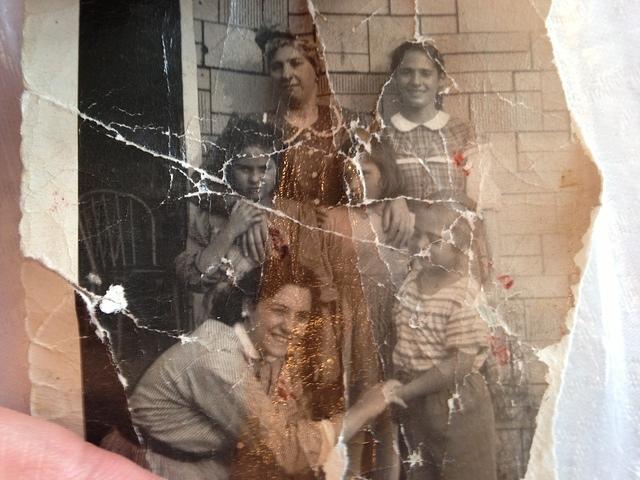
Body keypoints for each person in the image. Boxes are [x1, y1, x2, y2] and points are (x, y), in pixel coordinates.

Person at [126, 255, 403, 480]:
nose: (291, 328)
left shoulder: (262, 348)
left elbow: (290, 421)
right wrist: (366, 408)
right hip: (149, 466)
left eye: (302, 317)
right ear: (249, 306)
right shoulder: (218, 358)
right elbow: (287, 450)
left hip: (203, 462)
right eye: (280, 311)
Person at [318, 132, 413, 477]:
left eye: (366, 173)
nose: (355, 180)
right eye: (349, 172)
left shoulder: (396, 215)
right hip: (349, 325)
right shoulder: (331, 216)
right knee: (354, 406)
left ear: (385, 177)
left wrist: (400, 201)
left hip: (389, 323)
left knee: (388, 413)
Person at [389, 193, 497, 480]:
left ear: (461, 244)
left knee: (463, 471)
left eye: (434, 239)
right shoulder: (413, 281)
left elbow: (459, 364)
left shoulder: (463, 294)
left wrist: (406, 391)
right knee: (420, 471)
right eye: (417, 235)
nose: (422, 245)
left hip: (455, 402)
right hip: (415, 399)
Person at [383, 39, 493, 285]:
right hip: (406, 248)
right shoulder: (385, 135)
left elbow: (479, 199)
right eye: (406, 73)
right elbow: (376, 190)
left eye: (426, 73)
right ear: (395, 79)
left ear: (441, 80)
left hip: (453, 248)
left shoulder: (462, 132)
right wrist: (393, 196)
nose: (416, 81)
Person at [175, 115, 279, 327]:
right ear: (228, 168)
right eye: (245, 168)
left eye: (264, 168)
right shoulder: (209, 219)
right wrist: (231, 230)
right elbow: (193, 278)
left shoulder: (290, 216)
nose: (255, 179)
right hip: (219, 325)